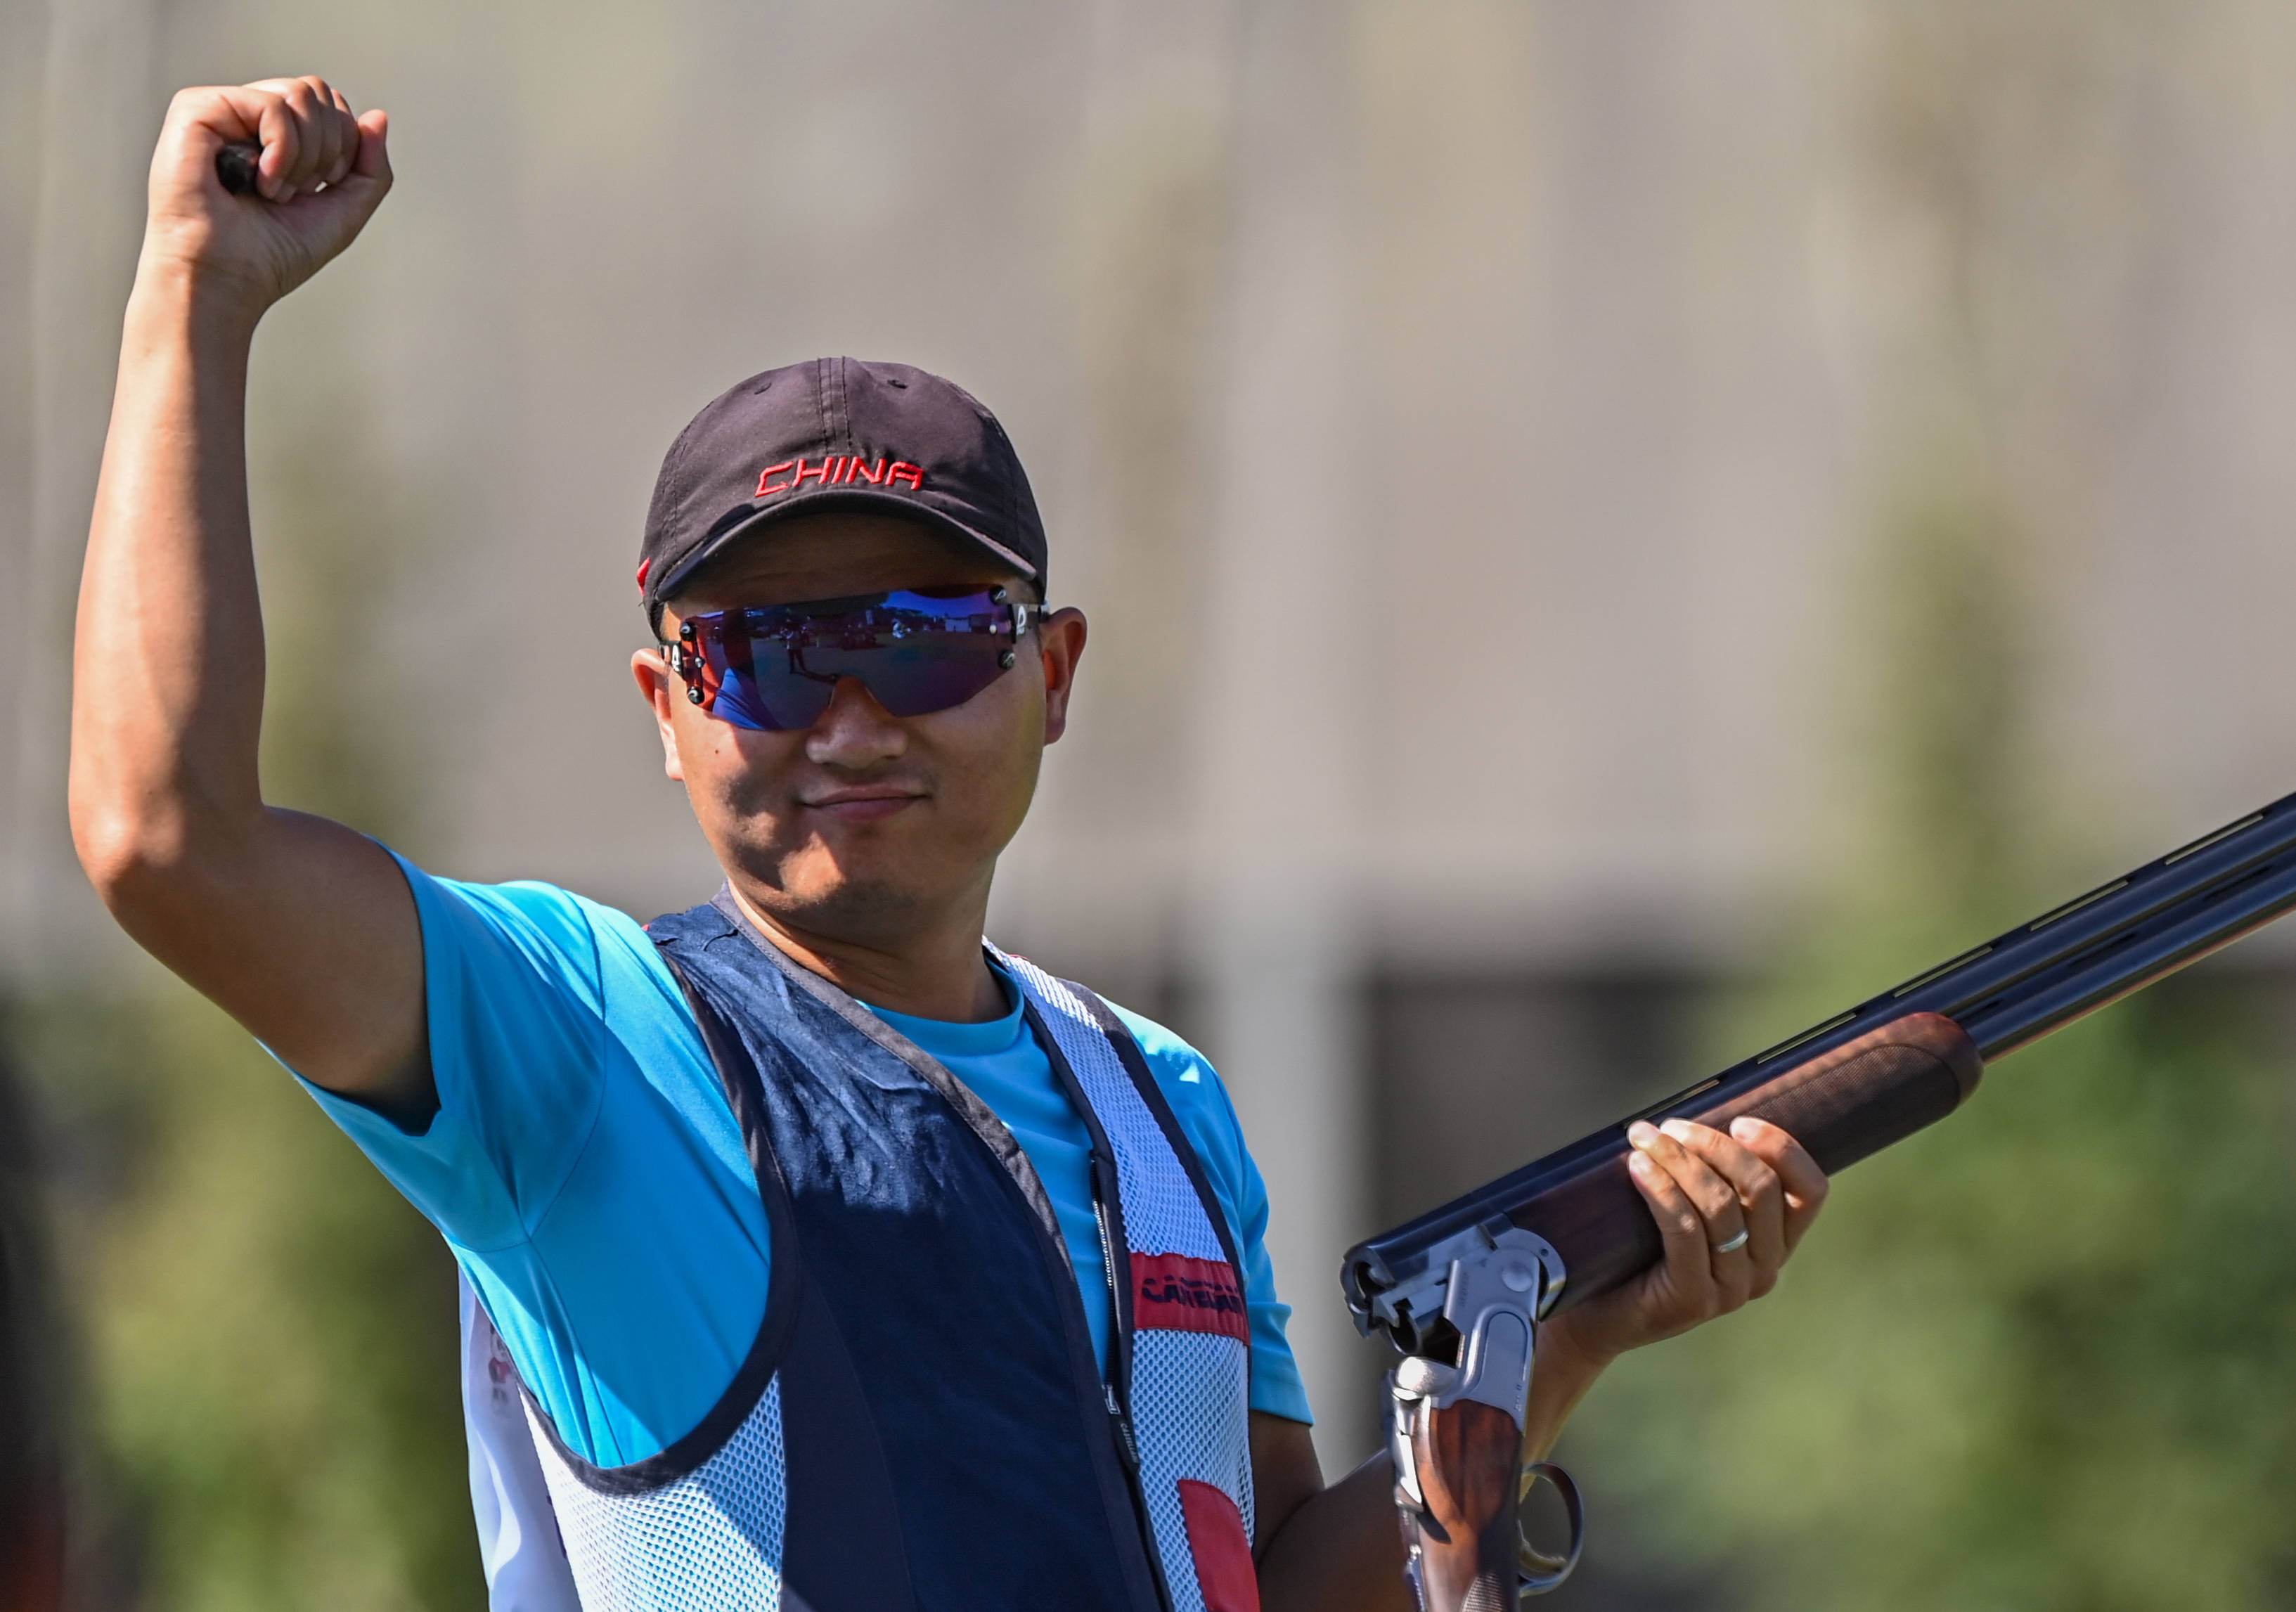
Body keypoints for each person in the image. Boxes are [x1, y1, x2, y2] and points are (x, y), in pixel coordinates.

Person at [70, 77, 1831, 1612]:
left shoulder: (1161, 1103)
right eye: (764, 656)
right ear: (662, 704)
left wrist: (1567, 1334)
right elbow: (167, 838)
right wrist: (193, 298)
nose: (847, 720)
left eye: (919, 636)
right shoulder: (587, 1044)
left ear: (1049, 674)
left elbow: (1264, 1584)